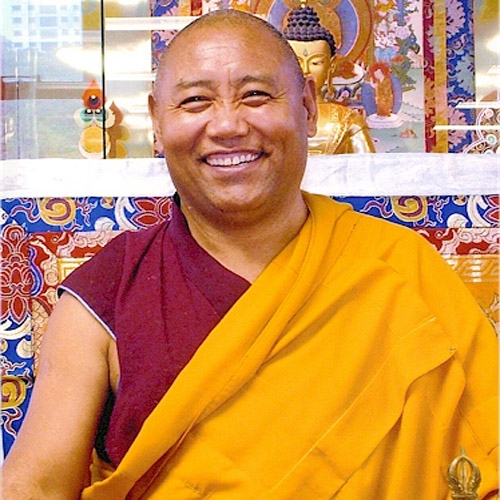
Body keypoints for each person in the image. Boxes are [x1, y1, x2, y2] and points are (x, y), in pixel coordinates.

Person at [2, 9, 498, 500]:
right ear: (156, 121)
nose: (227, 125)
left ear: (307, 106)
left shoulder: (398, 268)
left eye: (256, 95)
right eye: (195, 101)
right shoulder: (110, 288)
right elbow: (36, 484)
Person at [283, 3, 376, 154]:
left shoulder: (348, 121)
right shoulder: (269, 118)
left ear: (331, 66)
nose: (306, 70)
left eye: (316, 62)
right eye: (297, 62)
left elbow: (367, 167)